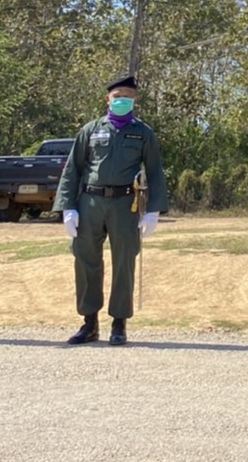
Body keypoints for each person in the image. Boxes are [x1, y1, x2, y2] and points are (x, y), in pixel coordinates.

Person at [54, 75, 168, 346]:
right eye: (117, 96)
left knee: (124, 262)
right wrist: (67, 206)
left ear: (135, 100)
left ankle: (119, 323)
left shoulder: (143, 133)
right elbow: (73, 169)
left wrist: (153, 211)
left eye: (127, 96)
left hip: (125, 204)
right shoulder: (91, 130)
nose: (122, 100)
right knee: (86, 261)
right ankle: (89, 323)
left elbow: (155, 171)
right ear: (108, 99)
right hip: (90, 202)